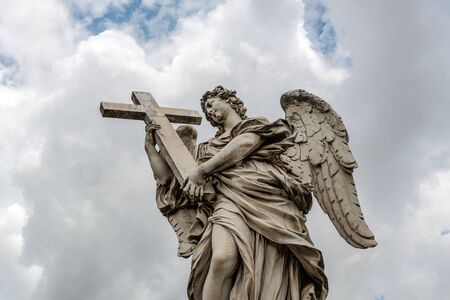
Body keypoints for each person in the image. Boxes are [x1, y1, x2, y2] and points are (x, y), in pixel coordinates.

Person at [182, 86, 328, 300]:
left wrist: (202, 170)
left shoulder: (256, 126)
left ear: (230, 101)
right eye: (206, 110)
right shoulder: (208, 148)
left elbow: (245, 144)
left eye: (212, 104)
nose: (210, 111)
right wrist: (151, 144)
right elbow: (171, 179)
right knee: (223, 257)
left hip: (270, 198)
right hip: (229, 197)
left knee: (273, 263)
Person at [145, 122, 199, 257]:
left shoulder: (200, 152)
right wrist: (149, 146)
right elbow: (165, 178)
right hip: (181, 207)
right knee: (199, 248)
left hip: (206, 205)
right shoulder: (166, 154)